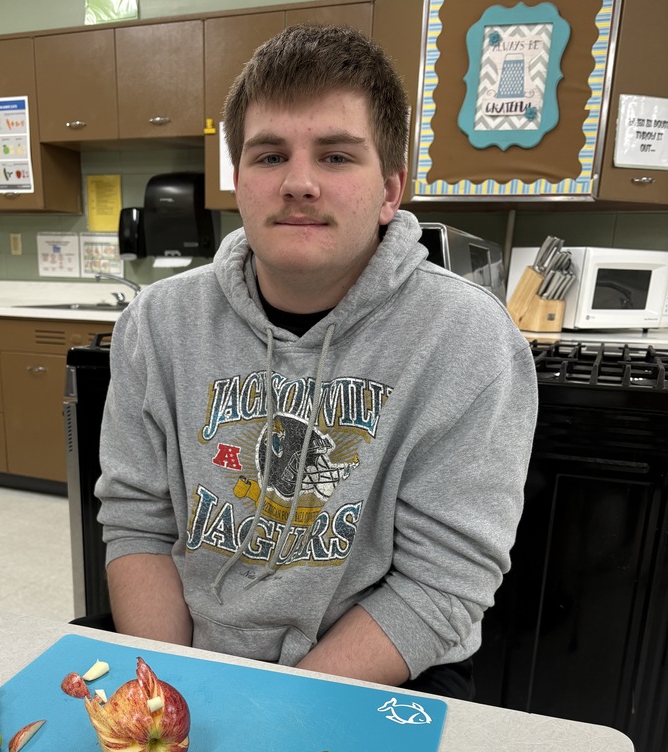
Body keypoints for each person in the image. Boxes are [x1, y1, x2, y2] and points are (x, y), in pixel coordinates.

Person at [94, 23, 538, 700]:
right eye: (270, 156)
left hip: (384, 671)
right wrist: (171, 695)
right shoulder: (157, 323)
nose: (299, 183)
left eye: (336, 156)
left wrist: (277, 709)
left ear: (391, 190)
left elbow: (443, 579)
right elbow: (138, 522)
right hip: (191, 655)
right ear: (238, 179)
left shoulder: (467, 339)